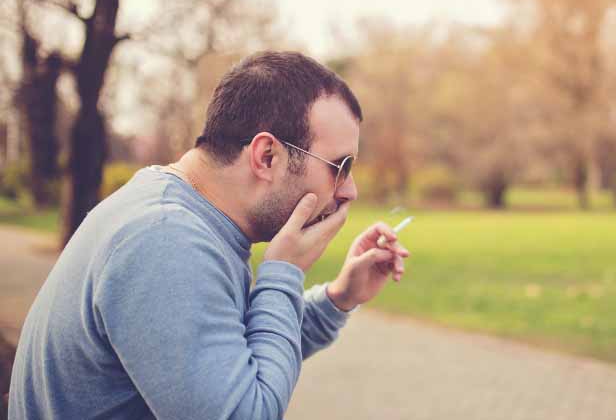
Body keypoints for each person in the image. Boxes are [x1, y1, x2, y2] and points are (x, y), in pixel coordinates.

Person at [8, 51, 410, 419]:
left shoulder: (181, 214)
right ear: (266, 156)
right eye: (339, 167)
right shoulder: (166, 241)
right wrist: (283, 272)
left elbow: (231, 352)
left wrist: (339, 297)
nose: (349, 190)